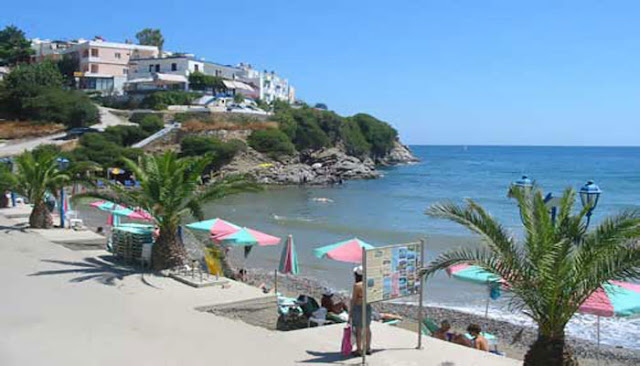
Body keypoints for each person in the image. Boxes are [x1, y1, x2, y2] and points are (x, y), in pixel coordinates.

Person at [349, 266, 372, 356]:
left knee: (358, 329)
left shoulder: (357, 285)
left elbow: (354, 300)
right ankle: (368, 348)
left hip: (358, 307)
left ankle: (359, 349)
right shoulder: (370, 283)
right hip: (367, 306)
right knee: (367, 328)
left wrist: (350, 312)